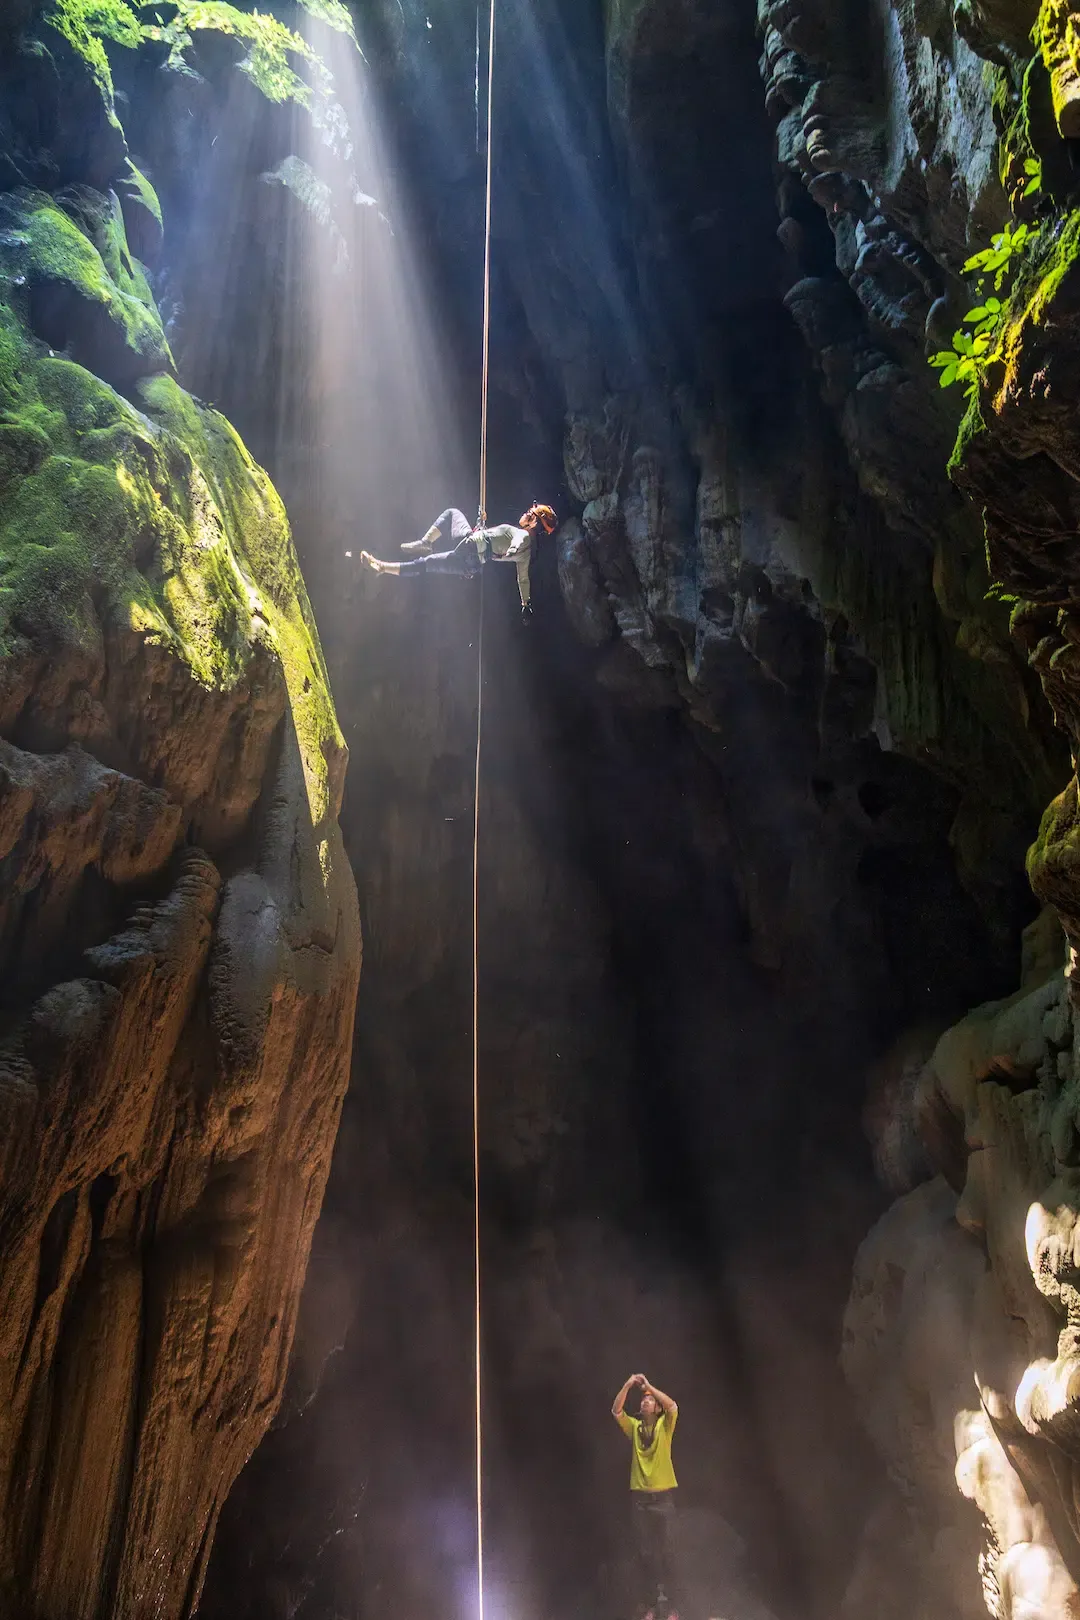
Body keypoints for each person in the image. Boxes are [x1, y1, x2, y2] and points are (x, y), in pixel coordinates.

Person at [358, 503, 558, 621]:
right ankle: (381, 567)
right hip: (471, 560)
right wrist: (526, 604)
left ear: (534, 521)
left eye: (530, 514)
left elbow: (517, 541)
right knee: (425, 564)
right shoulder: (526, 555)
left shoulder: (521, 536)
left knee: (451, 513)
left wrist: (510, 548)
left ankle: (425, 542)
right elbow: (523, 579)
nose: (525, 514)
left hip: (470, 547)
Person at [612, 1372, 680, 1620]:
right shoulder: (635, 1427)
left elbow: (673, 1406)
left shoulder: (665, 1425)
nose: (645, 1401)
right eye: (643, 1400)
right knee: (644, 1553)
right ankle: (650, 1605)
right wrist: (629, 1384)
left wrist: (650, 1385)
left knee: (668, 1552)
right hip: (641, 1501)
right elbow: (617, 1411)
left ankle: (671, 1605)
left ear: (657, 1407)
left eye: (650, 1400)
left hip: (662, 1499)